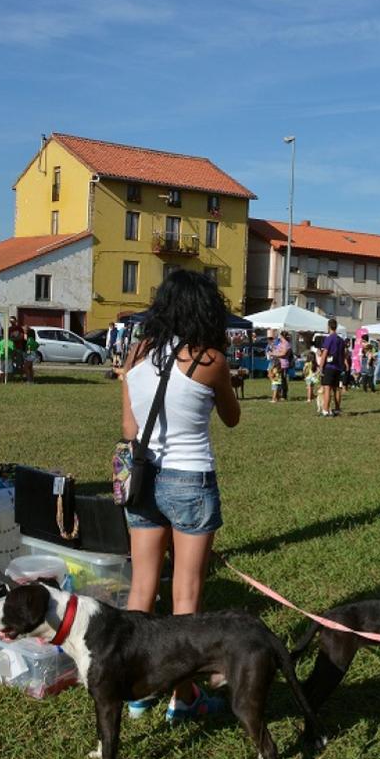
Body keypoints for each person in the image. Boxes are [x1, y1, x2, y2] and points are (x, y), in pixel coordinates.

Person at [121, 269, 240, 722]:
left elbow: (130, 430)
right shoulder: (210, 360)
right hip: (190, 479)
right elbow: (231, 418)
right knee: (186, 598)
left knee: (142, 589)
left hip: (144, 479)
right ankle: (183, 696)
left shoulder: (137, 355)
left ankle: (134, 690)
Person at [317, 320, 347, 417]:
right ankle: (337, 409)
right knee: (336, 389)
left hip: (329, 366)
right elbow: (344, 354)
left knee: (327, 388)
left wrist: (320, 366)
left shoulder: (329, 339)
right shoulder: (341, 340)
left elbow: (325, 353)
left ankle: (325, 410)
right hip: (338, 367)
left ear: (329, 326)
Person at [266, 331, 291, 401]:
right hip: (277, 363)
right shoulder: (280, 343)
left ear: (282, 336)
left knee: (283, 379)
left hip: (283, 364)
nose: (279, 337)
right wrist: (272, 351)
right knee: (276, 378)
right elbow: (277, 351)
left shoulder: (286, 344)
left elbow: (283, 353)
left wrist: (273, 354)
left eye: (280, 336)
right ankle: (278, 395)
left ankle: (283, 395)